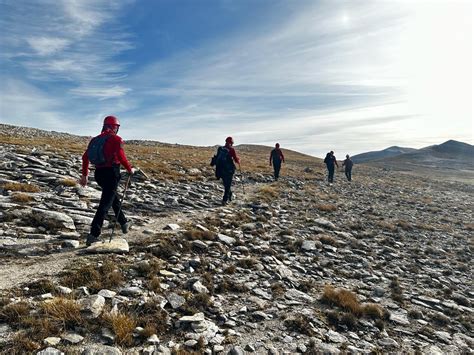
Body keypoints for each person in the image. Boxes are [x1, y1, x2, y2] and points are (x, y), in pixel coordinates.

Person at [80, 115, 135, 246]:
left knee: (112, 197)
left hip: (99, 174)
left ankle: (124, 222)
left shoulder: (95, 140)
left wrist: (85, 176)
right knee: (105, 204)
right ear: (115, 127)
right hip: (111, 173)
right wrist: (129, 169)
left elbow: (85, 158)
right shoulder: (116, 139)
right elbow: (121, 157)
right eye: (117, 127)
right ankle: (94, 234)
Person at [216, 136, 240, 205]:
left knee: (226, 184)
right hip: (229, 170)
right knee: (228, 185)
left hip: (221, 169)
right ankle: (225, 200)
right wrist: (238, 160)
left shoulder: (220, 149)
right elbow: (235, 159)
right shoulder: (231, 149)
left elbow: (217, 158)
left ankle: (230, 195)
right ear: (231, 142)